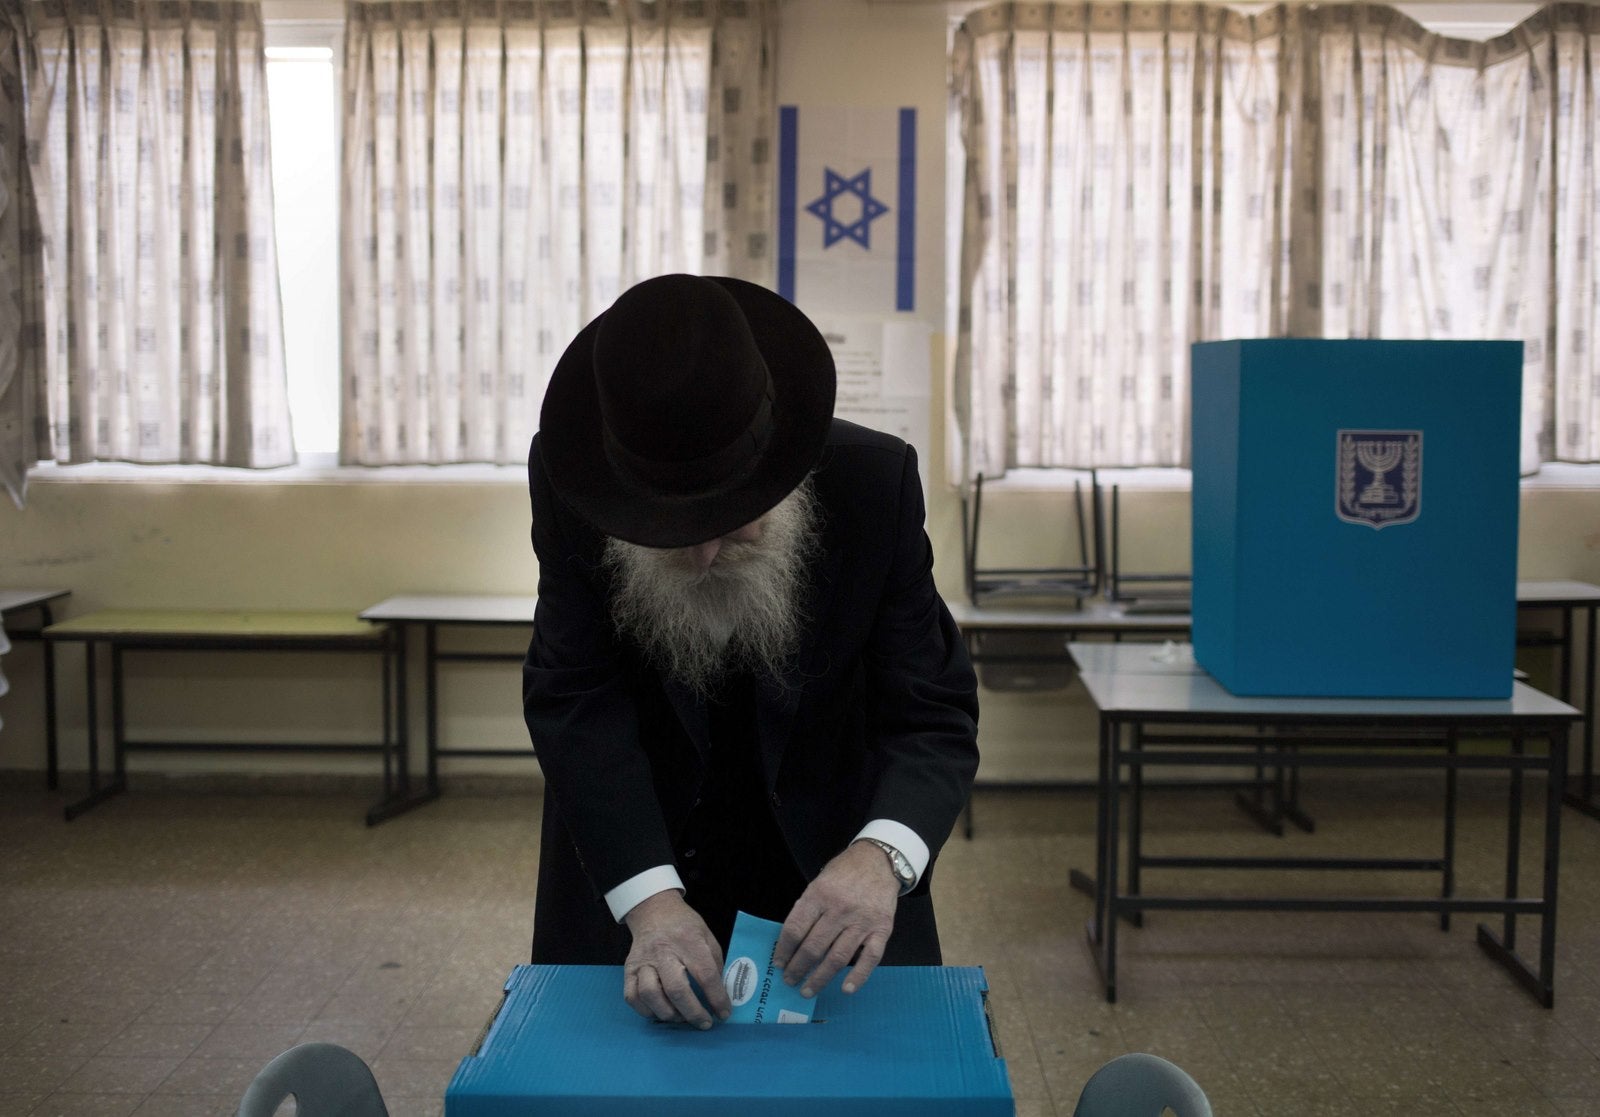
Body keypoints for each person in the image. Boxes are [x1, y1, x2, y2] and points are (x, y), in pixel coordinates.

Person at [522, 273, 979, 1029]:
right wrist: (650, 899)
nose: (701, 556)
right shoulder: (571, 480)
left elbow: (932, 710)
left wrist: (881, 858)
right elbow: (574, 695)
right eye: (665, 528)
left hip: (832, 885)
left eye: (732, 519)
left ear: (783, 464)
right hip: (642, 870)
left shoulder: (875, 484)